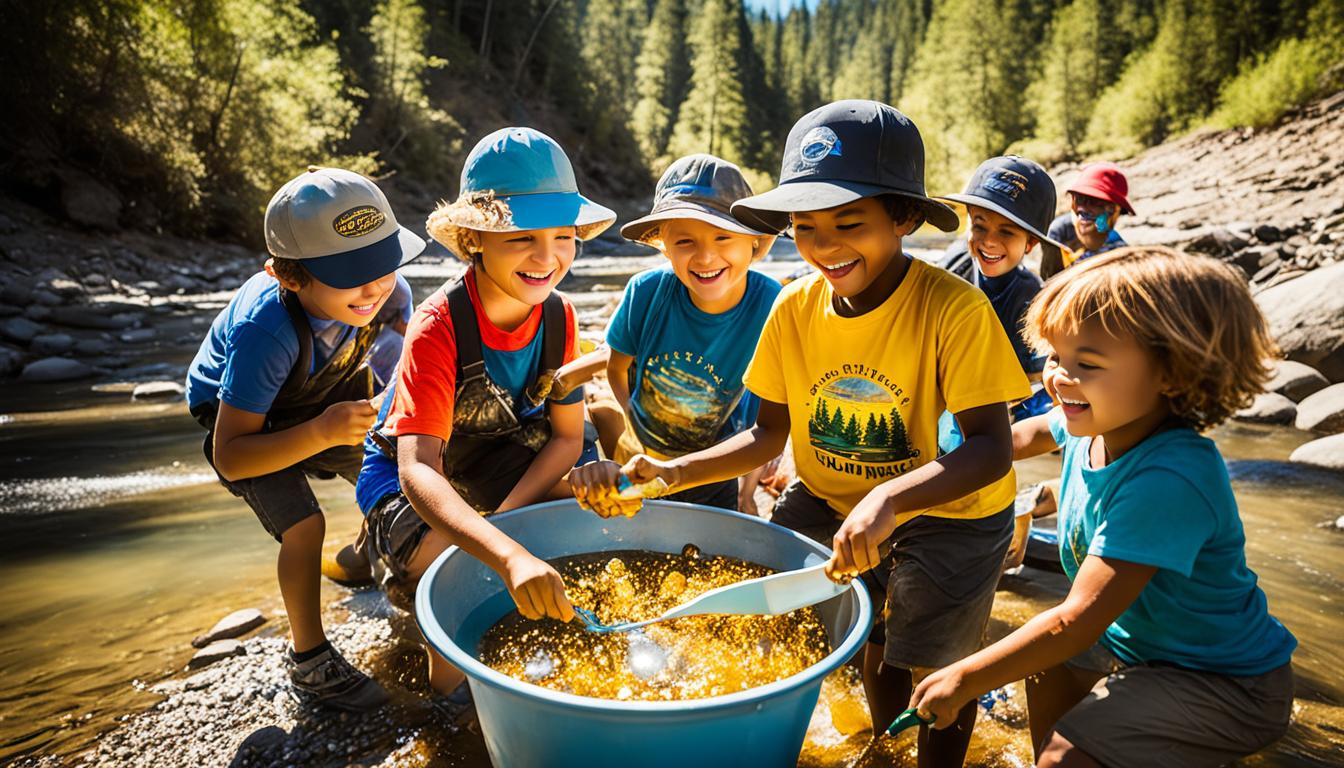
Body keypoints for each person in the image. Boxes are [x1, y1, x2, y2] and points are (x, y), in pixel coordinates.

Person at [586, 101, 1031, 767]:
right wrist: (674, 471)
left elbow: (991, 450)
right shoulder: (794, 308)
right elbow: (768, 435)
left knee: (935, 667)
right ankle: (887, 747)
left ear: (904, 217)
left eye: (849, 223)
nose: (824, 247)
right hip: (829, 502)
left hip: (952, 515)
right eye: (804, 229)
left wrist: (888, 501)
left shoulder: (954, 308)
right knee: (841, 623)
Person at [911, 247, 1297, 768]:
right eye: (1055, 357)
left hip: (1225, 684)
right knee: (1044, 671)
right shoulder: (1092, 419)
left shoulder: (1170, 476)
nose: (1059, 378)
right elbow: (1017, 437)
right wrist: (930, 470)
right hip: (1141, 648)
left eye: (1086, 364)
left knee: (1064, 747)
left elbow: (1074, 622)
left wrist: (964, 676)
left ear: (1173, 375)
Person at [354, 127, 615, 697]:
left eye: (562, 235)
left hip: (499, 452)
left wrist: (505, 531)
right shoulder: (436, 325)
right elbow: (417, 469)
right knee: (442, 561)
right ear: (474, 238)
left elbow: (568, 441)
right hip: (409, 470)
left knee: (589, 509)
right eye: (522, 237)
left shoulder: (560, 318)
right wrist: (504, 550)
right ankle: (439, 697)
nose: (547, 257)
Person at [184, 167, 422, 710]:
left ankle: (364, 556)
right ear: (289, 276)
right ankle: (311, 662)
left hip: (328, 393)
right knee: (304, 525)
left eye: (384, 264)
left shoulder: (389, 295)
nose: (374, 286)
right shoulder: (264, 331)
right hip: (247, 423)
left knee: (396, 466)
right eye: (350, 273)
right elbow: (232, 455)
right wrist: (318, 432)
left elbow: (399, 372)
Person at [567, 154, 780, 514]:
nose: (706, 257)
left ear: (755, 243)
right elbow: (616, 367)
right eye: (685, 242)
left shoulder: (771, 304)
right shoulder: (646, 292)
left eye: (723, 237)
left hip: (714, 463)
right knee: (630, 529)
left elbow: (764, 419)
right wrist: (629, 412)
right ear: (663, 245)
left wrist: (747, 493)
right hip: (640, 453)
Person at [936, 155, 1066, 569]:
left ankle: (1012, 519)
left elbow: (1034, 377)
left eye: (1006, 232)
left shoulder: (1029, 294)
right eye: (980, 226)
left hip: (998, 402)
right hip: (944, 390)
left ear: (1030, 243)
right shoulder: (957, 263)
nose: (988, 241)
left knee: (969, 481)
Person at [1038, 162, 1133, 279]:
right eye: (1079, 199)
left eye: (1095, 202)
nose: (1083, 208)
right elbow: (1048, 277)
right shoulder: (1060, 231)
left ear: (1114, 210)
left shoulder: (1117, 246)